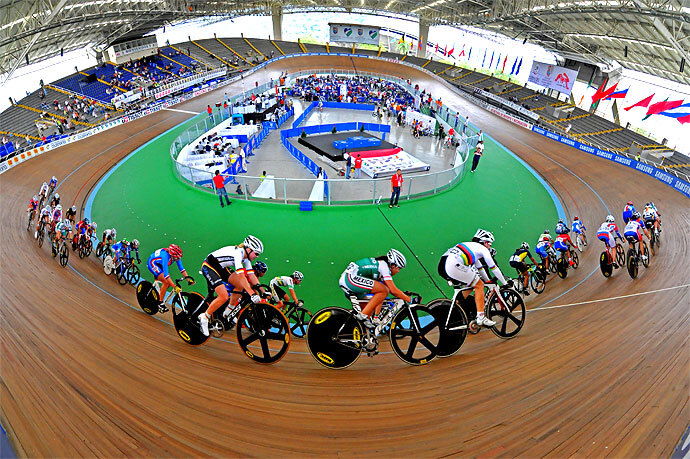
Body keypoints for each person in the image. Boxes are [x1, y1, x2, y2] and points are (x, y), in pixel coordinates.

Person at [437, 229, 511, 327]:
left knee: (472, 284)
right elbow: (494, 268)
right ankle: (481, 317)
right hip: (453, 264)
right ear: (484, 242)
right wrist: (505, 283)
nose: (490, 246)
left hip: (443, 265)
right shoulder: (482, 249)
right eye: (489, 243)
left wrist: (488, 281)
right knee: (479, 285)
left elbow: (480, 269)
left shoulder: (471, 246)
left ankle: (456, 306)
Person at [197, 235, 265, 336]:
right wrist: (252, 294)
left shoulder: (246, 259)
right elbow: (241, 276)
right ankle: (205, 317)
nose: (257, 256)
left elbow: (252, 276)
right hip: (209, 266)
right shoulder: (238, 253)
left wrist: (263, 291)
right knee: (224, 296)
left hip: (221, 268)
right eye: (256, 253)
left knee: (240, 286)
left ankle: (227, 312)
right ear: (249, 249)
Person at [338, 248, 411, 330]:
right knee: (384, 290)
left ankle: (364, 336)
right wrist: (408, 299)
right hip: (349, 279)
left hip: (350, 279)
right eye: (399, 268)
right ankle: (362, 316)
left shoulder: (381, 267)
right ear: (393, 265)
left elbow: (380, 297)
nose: (398, 271)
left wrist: (376, 317)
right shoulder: (384, 267)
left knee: (369, 313)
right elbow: (393, 290)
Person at [146, 244, 193, 313]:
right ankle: (160, 303)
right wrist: (174, 286)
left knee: (167, 283)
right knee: (166, 282)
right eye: (176, 257)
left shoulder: (175, 256)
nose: (178, 259)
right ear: (172, 255)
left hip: (159, 263)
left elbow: (181, 268)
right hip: (152, 263)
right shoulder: (165, 256)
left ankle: (160, 293)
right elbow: (166, 275)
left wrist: (188, 279)